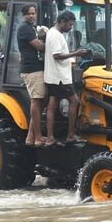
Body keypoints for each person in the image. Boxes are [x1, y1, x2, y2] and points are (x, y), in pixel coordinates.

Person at [44, 10, 88, 145]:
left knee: (52, 105)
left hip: (52, 76)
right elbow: (57, 55)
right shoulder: (56, 35)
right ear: (62, 22)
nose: (70, 28)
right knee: (74, 101)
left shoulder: (51, 32)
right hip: (60, 77)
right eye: (69, 24)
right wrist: (76, 53)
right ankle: (70, 135)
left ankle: (50, 137)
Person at [17, 4, 46, 147]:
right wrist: (49, 40)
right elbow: (40, 47)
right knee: (36, 101)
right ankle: (38, 137)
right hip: (32, 70)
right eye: (29, 13)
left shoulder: (32, 28)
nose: (32, 16)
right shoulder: (25, 29)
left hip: (36, 68)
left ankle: (30, 136)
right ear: (24, 15)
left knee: (40, 102)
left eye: (34, 13)